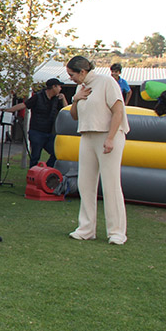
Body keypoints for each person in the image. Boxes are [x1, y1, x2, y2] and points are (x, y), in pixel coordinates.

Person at [65, 55, 130, 245]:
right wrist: (75, 99)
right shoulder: (80, 87)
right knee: (85, 183)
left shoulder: (107, 82)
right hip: (87, 136)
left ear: (83, 71)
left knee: (110, 184)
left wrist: (110, 138)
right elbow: (74, 116)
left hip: (108, 136)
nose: (71, 78)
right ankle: (86, 228)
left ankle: (117, 232)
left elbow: (118, 111)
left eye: (72, 74)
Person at [1, 78, 68, 168]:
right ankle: (32, 174)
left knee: (57, 153)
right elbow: (24, 105)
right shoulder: (38, 97)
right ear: (53, 87)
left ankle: (46, 170)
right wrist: (9, 110)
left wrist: (63, 99)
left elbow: (66, 110)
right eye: (59, 86)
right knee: (35, 157)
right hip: (37, 132)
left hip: (49, 133)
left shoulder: (56, 99)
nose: (60, 89)